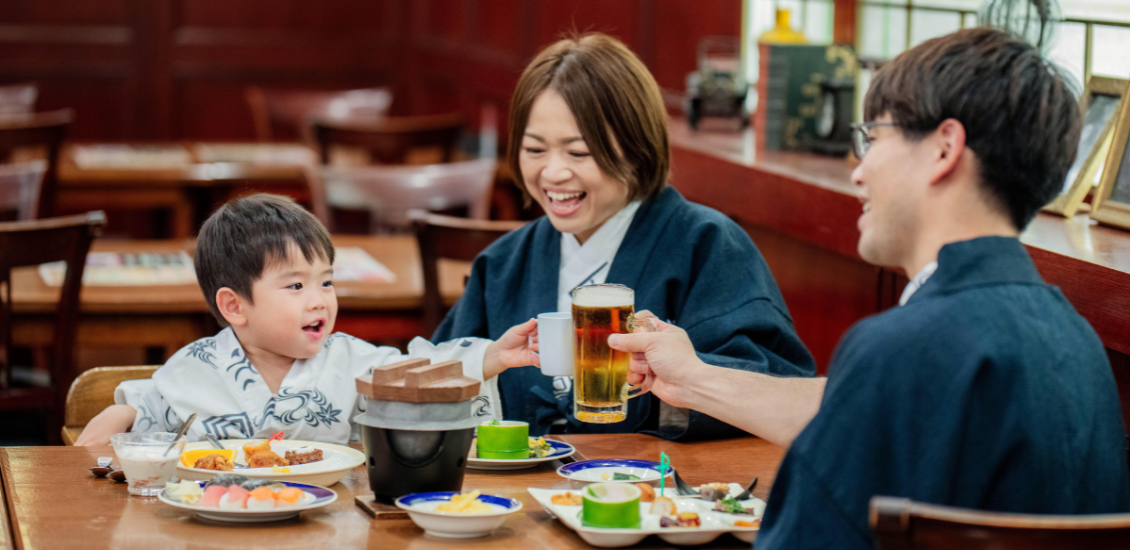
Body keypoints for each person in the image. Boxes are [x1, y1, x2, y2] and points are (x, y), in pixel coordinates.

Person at [609, 28, 1130, 549]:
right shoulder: (1080, 344)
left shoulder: (898, 348)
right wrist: (693, 380)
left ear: (944, 148)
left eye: (874, 138)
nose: (859, 171)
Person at [432, 33, 815, 440]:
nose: (553, 173)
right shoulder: (505, 261)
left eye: (578, 153)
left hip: (654, 479)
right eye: (535, 150)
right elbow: (442, 380)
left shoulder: (709, 245)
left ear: (636, 149)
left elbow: (777, 390)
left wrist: (684, 377)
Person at [75, 194, 538, 445]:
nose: (319, 301)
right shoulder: (197, 365)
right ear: (235, 306)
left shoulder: (349, 359)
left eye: (326, 282)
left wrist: (491, 358)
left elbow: (416, 372)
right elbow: (149, 409)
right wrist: (121, 413)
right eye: (296, 286)